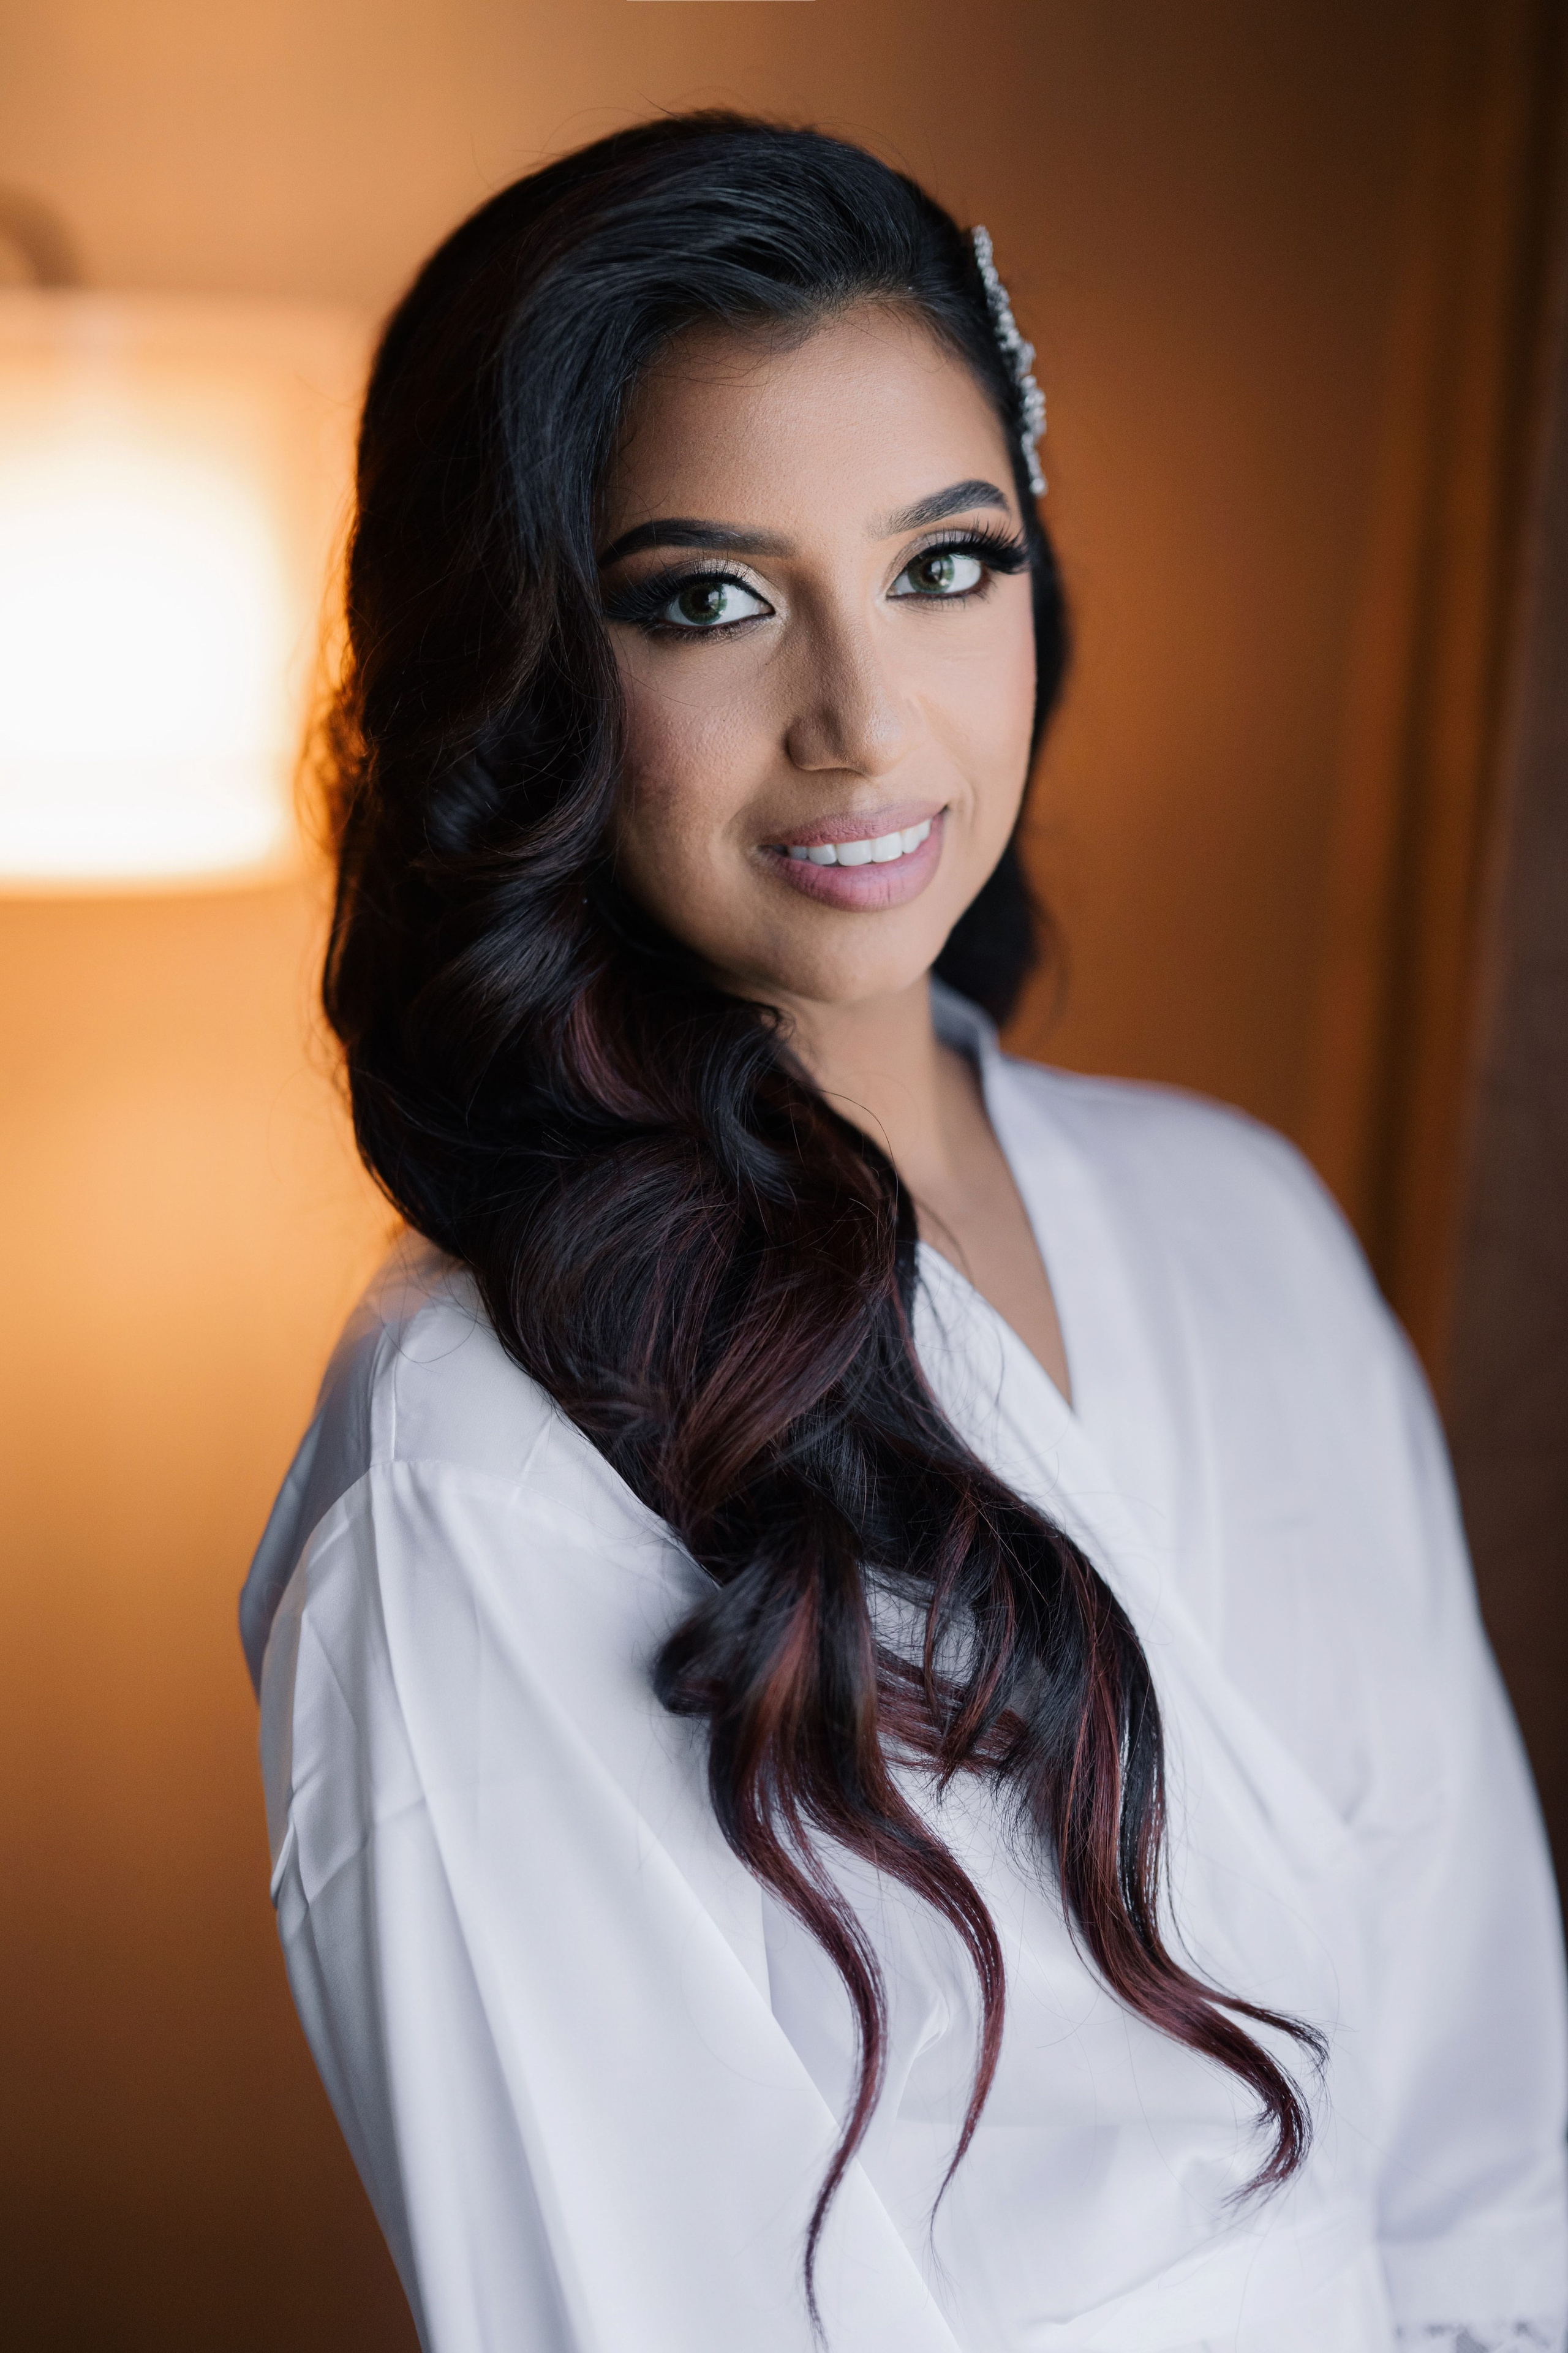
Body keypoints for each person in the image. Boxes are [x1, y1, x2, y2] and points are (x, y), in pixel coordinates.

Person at [240, 114, 1567, 2353]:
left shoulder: (1242, 1225)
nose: (865, 725)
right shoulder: (474, 1467)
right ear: (537, 665)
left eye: (945, 564)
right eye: (711, 600)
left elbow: (1489, 2147)